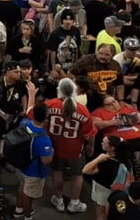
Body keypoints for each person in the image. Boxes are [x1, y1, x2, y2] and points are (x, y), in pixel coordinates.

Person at [44, 78, 96, 214]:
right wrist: (91, 146)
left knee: (57, 172)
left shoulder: (49, 105)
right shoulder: (82, 110)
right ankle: (74, 203)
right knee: (77, 174)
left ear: (58, 90)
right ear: (75, 91)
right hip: (75, 149)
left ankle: (59, 199)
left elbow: (37, 120)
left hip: (54, 146)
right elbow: (89, 133)